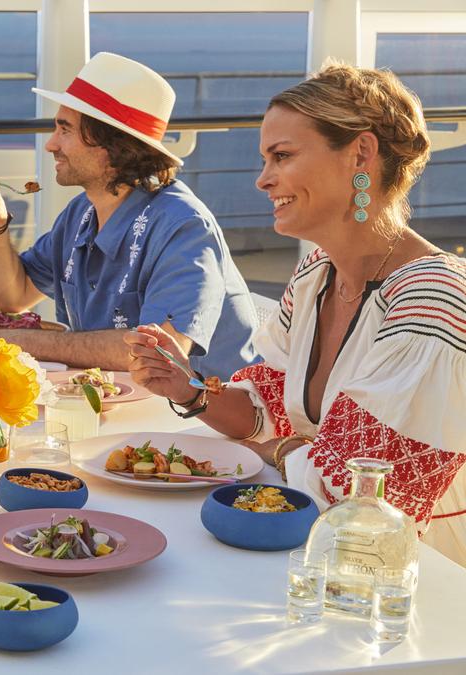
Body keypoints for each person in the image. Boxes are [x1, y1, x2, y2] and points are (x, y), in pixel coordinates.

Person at [126, 63, 466, 566]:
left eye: (281, 156)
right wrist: (187, 389)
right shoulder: (315, 275)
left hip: (410, 582)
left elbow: (358, 492)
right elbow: (267, 410)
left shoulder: (435, 300)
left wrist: (279, 453)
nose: (264, 180)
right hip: (316, 549)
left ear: (361, 153)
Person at [0, 52, 258, 380]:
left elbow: (158, 350)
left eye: (65, 130)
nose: (51, 145)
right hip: (125, 406)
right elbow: (15, 296)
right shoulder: (80, 213)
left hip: (199, 421)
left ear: (112, 144)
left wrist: (21, 342)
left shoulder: (183, 227)